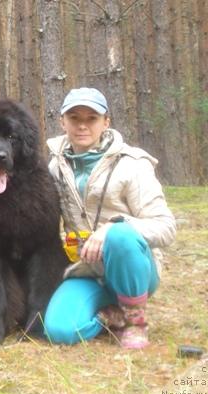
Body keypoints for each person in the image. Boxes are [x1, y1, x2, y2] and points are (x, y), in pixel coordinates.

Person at [43, 87, 176, 349]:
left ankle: (135, 320)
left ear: (106, 122)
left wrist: (111, 227)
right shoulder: (54, 166)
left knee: (120, 235)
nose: (82, 126)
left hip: (133, 268)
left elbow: (166, 227)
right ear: (62, 122)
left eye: (91, 118)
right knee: (60, 331)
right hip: (86, 270)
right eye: (74, 118)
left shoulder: (132, 164)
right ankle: (109, 315)